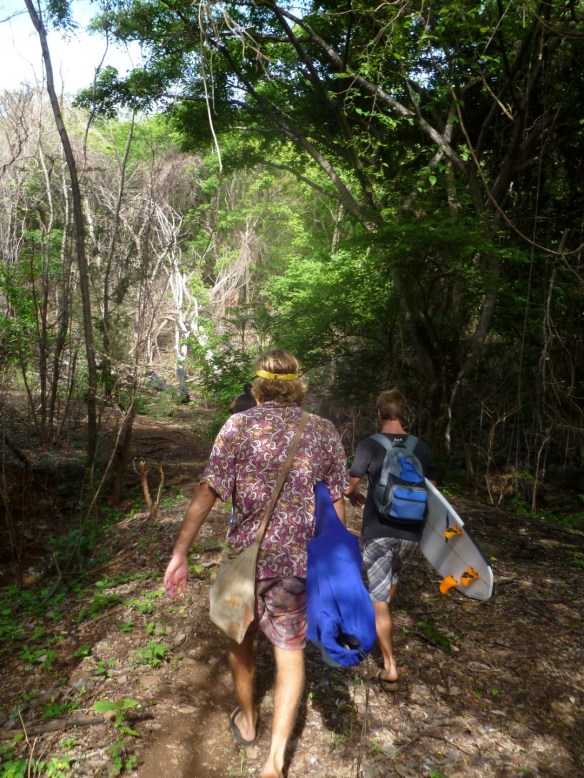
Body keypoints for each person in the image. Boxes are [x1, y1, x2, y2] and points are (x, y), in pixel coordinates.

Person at [163, 348, 348, 778]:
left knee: (239, 640)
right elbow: (337, 503)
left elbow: (208, 492)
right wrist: (339, 565)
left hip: (242, 562)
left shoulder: (237, 426)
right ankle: (275, 760)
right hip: (294, 567)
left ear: (258, 385)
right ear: (298, 386)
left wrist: (181, 552)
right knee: (290, 653)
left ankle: (248, 723)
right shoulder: (322, 430)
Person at [344, 389, 436, 691]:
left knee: (379, 601)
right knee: (389, 582)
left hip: (379, 531)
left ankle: (389, 666)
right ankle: (375, 628)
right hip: (411, 533)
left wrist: (355, 494)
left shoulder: (370, 444)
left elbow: (349, 487)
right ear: (403, 413)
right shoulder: (420, 447)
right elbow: (432, 492)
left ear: (379, 413)